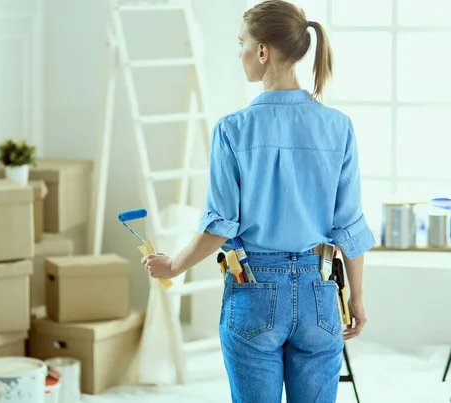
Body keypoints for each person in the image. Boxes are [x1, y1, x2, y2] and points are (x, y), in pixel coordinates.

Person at [140, 1, 376, 402]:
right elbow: (349, 226)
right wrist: (357, 298)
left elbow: (220, 225)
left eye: (242, 43)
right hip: (320, 290)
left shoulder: (232, 130)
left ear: (263, 51)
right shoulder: (339, 127)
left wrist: (174, 265)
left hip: (253, 290)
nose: (240, 53)